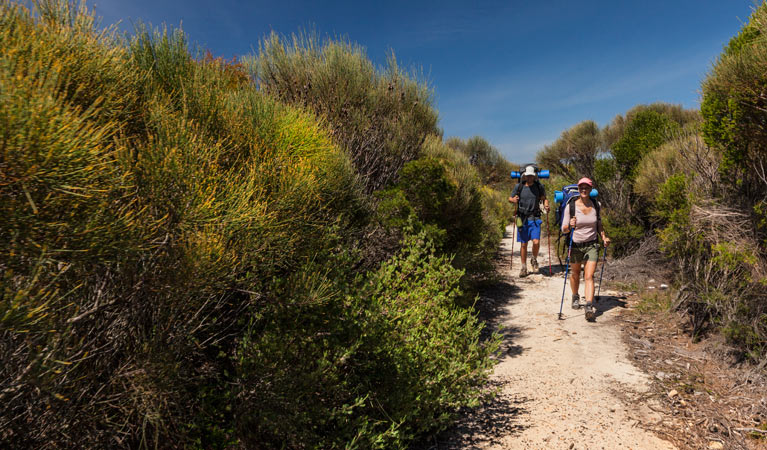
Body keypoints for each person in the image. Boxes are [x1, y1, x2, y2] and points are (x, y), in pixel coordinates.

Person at [560, 177, 610, 320]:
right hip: (575, 244)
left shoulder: (596, 205)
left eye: (586, 187)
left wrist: (604, 237)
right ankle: (575, 296)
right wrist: (570, 225)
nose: (584, 190)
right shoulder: (571, 206)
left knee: (589, 276)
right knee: (575, 274)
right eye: (581, 187)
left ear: (590, 189)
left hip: (592, 245)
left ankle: (589, 305)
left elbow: (599, 224)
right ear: (578, 188)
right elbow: (564, 229)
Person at [509, 165, 550, 277]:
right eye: (528, 176)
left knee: (536, 241)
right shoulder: (519, 187)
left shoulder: (538, 186)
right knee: (523, 244)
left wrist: (546, 205)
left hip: (535, 217)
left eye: (532, 176)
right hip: (522, 219)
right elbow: (510, 198)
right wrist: (513, 200)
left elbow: (544, 198)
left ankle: (534, 259)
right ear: (525, 176)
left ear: (534, 176)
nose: (530, 178)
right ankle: (523, 267)